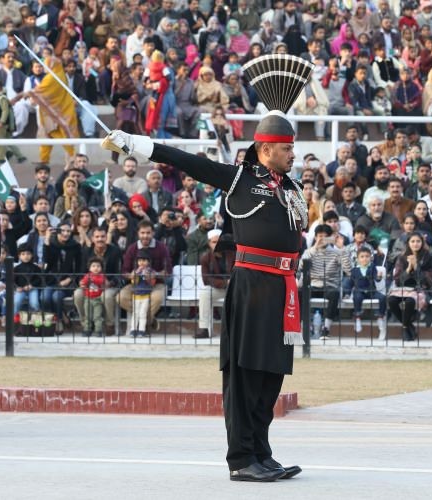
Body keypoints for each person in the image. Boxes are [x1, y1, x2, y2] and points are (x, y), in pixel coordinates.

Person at [102, 57, 307, 480]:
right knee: (246, 375)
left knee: (271, 377)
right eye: (287, 148)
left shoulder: (291, 187)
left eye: (293, 147)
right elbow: (185, 161)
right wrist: (135, 143)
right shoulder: (238, 179)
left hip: (282, 288)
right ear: (266, 149)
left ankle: (262, 451)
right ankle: (242, 459)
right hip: (251, 287)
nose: (293, 154)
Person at [388, 232, 432, 341]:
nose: (415, 244)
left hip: (422, 290)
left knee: (410, 301)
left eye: (418, 241)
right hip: (403, 289)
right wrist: (409, 268)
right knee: (391, 300)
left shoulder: (429, 258)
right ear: (408, 243)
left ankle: (405, 329)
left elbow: (430, 281)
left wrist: (416, 267)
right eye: (413, 241)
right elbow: (397, 281)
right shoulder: (402, 258)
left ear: (422, 243)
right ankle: (409, 326)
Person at [195, 229, 235, 339]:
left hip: (234, 288)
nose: (217, 244)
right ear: (209, 243)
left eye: (219, 241)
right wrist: (224, 282)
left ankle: (236, 330)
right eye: (214, 242)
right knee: (205, 293)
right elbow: (206, 279)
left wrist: (231, 282)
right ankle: (204, 329)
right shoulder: (205, 258)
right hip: (219, 288)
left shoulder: (233, 254)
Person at [350, 247, 386, 339]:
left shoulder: (372, 267)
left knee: (382, 297)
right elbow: (351, 282)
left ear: (370, 258)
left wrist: (378, 277)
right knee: (357, 298)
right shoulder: (354, 270)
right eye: (362, 257)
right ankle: (357, 317)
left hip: (371, 291)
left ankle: (380, 316)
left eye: (367, 256)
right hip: (359, 291)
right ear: (357, 259)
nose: (365, 258)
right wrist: (348, 292)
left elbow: (376, 279)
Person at [128, 250, 156, 338]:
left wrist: (148, 276)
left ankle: (142, 330)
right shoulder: (136, 271)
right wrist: (136, 273)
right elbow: (132, 280)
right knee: (135, 313)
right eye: (140, 261)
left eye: (144, 260)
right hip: (136, 295)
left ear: (148, 262)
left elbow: (152, 281)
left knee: (143, 313)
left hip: (145, 296)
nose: (142, 262)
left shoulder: (150, 271)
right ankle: (133, 330)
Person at [78, 256, 106, 336]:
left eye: (98, 266)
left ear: (101, 268)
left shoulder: (101, 276)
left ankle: (98, 330)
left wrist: (92, 280)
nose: (96, 268)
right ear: (89, 268)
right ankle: (87, 329)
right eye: (93, 266)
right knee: (88, 315)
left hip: (97, 299)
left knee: (97, 316)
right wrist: (83, 283)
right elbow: (83, 282)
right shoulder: (87, 275)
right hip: (88, 298)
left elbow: (100, 282)